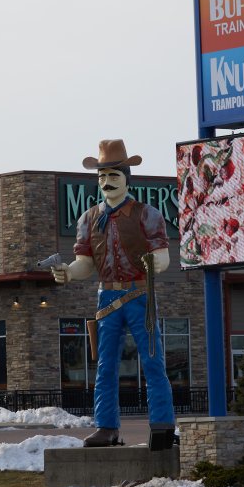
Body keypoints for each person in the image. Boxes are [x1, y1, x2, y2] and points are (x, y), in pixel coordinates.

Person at [52, 139, 175, 448]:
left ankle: (162, 426)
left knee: (153, 361)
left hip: (139, 295)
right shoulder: (89, 219)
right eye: (102, 177)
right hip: (106, 298)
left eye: (113, 176)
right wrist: (68, 272)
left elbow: (163, 255)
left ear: (126, 179)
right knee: (105, 365)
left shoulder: (148, 214)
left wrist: (154, 263)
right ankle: (106, 427)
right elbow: (86, 264)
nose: (106, 183)